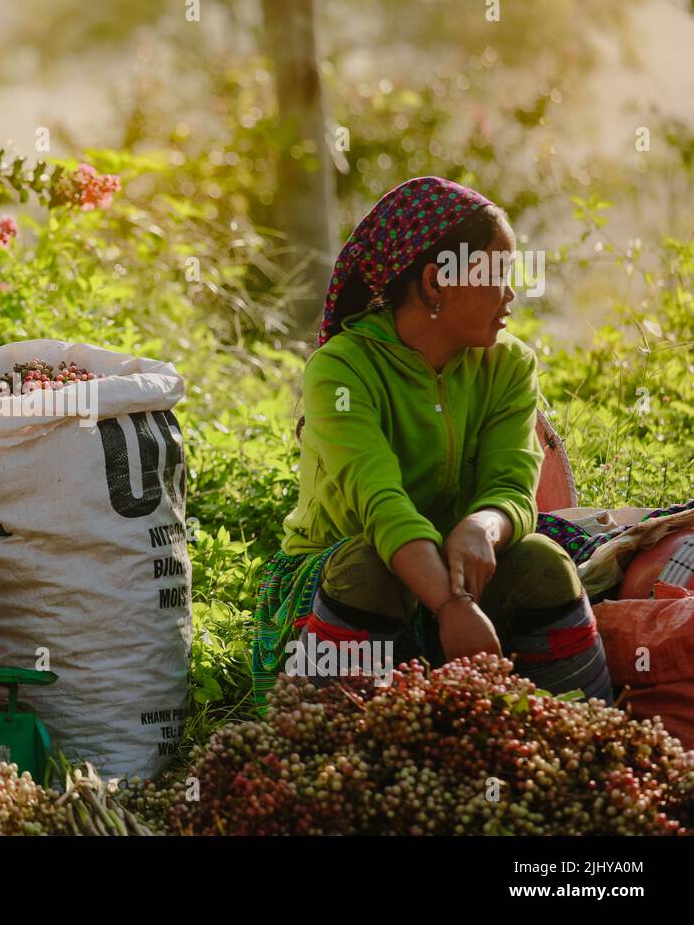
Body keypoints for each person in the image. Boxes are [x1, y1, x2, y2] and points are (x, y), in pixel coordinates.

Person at [251, 176, 611, 716]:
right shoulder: (341, 370)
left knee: (540, 559)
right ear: (436, 282)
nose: (511, 294)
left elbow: (512, 485)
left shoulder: (509, 366)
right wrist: (449, 604)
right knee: (366, 564)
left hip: (463, 572)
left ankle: (585, 736)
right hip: (355, 585)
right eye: (497, 275)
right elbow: (380, 503)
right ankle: (329, 749)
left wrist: (480, 527)